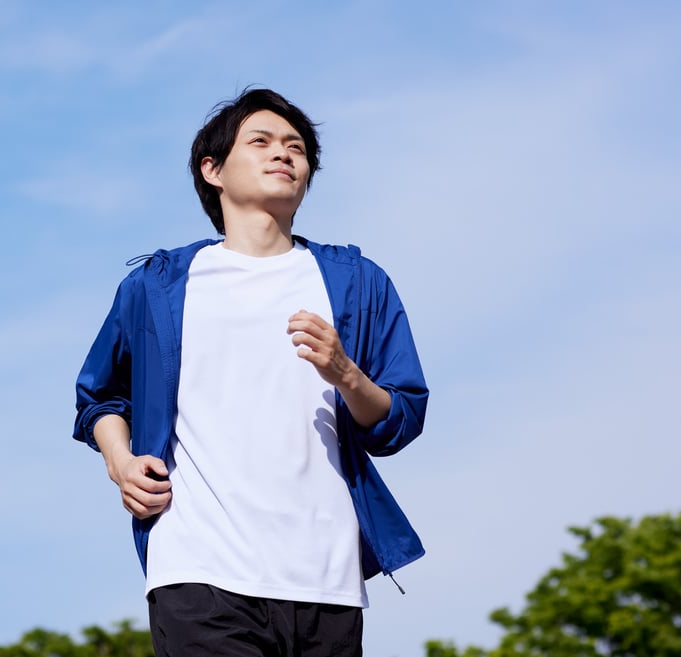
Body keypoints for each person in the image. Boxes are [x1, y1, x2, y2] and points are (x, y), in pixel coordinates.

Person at [73, 88, 428, 657]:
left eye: (296, 147)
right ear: (211, 170)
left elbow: (401, 418)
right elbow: (100, 396)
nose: (283, 154)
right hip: (198, 569)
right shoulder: (159, 285)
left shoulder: (357, 282)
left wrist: (345, 373)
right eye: (260, 142)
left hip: (326, 578)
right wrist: (121, 463)